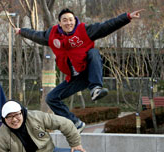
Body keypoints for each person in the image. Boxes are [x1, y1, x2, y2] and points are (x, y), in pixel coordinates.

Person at [15, 9, 143, 133]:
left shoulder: (84, 31)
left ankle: (96, 88)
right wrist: (21, 31)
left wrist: (127, 17)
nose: (68, 23)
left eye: (71, 20)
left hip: (89, 71)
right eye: (65, 20)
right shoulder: (52, 35)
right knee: (51, 98)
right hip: (75, 78)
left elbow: (107, 26)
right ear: (59, 23)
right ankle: (76, 123)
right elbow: (36, 35)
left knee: (93, 52)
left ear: (75, 21)